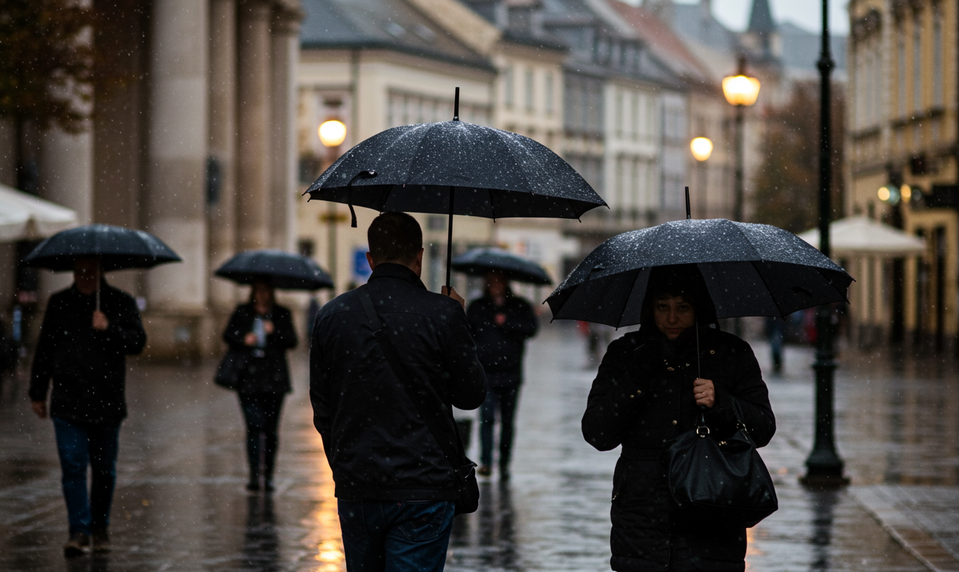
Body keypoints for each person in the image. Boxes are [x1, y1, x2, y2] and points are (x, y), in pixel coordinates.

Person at [310, 212, 487, 572]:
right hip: (424, 487)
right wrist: (458, 324)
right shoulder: (442, 315)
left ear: (371, 259)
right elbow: (471, 395)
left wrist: (347, 466)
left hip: (359, 486)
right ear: (419, 256)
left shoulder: (332, 315)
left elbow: (322, 409)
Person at [581, 266, 775, 572]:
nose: (671, 319)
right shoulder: (626, 354)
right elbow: (597, 432)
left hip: (711, 512)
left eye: (682, 308)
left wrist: (721, 402)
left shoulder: (731, 353)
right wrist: (637, 378)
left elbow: (763, 427)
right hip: (641, 517)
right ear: (650, 308)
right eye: (662, 307)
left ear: (699, 308)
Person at [29, 256, 146, 558]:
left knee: (104, 470)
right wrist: (37, 391)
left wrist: (109, 328)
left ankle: (100, 527)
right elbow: (45, 349)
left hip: (106, 400)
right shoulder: (59, 303)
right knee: (73, 466)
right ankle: (78, 530)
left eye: (90, 271)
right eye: (80, 271)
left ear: (100, 271)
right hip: (68, 400)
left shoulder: (120, 302)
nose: (84, 276)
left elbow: (137, 342)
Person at [222, 279, 298, 493]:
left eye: (266, 290)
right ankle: (254, 474)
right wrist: (243, 338)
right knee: (254, 426)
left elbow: (292, 341)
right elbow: (228, 335)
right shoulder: (242, 312)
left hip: (274, 379)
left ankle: (270, 475)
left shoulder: (281, 313)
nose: (263, 294)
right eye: (259, 290)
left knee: (271, 430)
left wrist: (274, 331)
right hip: (248, 378)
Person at [466, 271, 537, 478]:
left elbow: (531, 329)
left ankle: (504, 463)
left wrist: (507, 323)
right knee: (486, 418)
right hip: (485, 373)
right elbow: (467, 333)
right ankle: (486, 461)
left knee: (507, 421)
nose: (494, 284)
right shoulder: (478, 307)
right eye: (491, 280)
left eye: (498, 281)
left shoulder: (519, 306)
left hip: (511, 374)